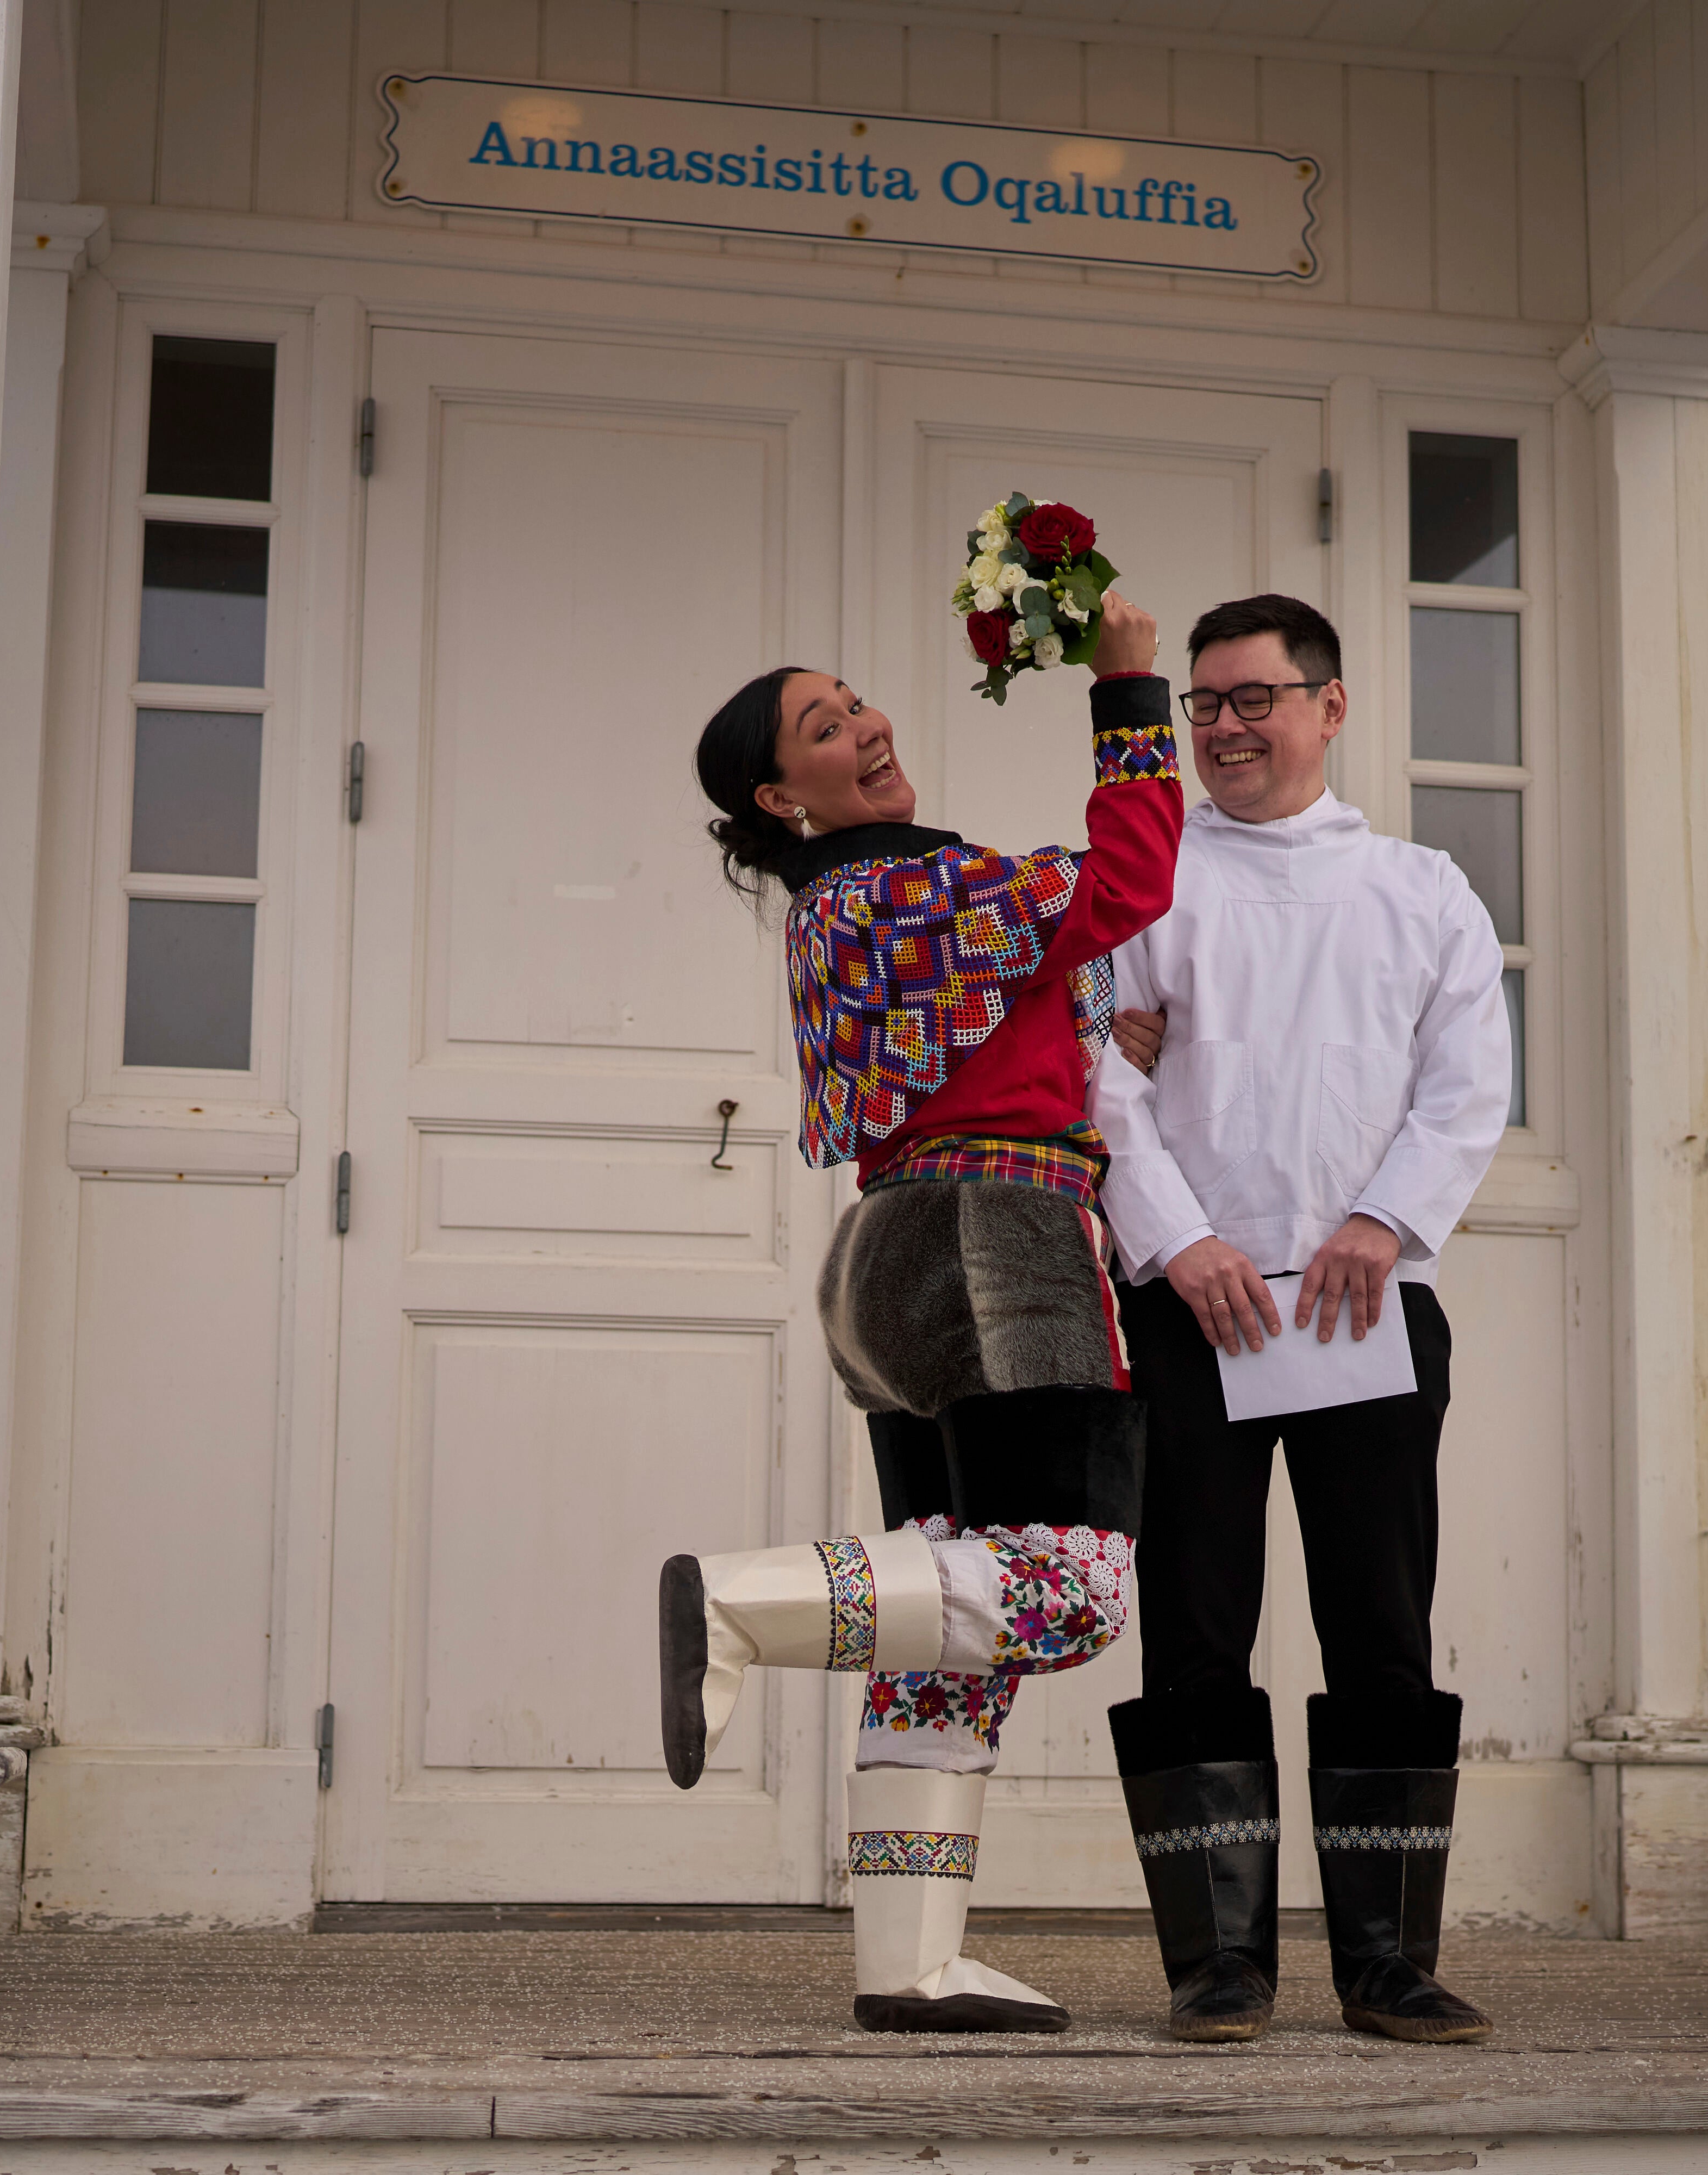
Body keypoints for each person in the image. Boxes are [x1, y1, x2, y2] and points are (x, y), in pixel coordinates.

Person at [663, 593, 1180, 2034]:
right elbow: (1129, 879)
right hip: (999, 1240)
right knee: (1066, 1589)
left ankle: (909, 1958)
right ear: (783, 795)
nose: (868, 727)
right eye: (826, 729)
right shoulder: (907, 881)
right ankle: (739, 1606)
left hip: (893, 1257)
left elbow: (1005, 1012)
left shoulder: (839, 907)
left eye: (856, 702)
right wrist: (1129, 690)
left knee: (951, 1616)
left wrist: (1091, 1031)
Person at [1092, 594, 1512, 2045]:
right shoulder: (1145, 883)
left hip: (1362, 1305)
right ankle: (1220, 1965)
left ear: (1330, 709)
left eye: (1254, 698)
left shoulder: (1421, 887)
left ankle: (1388, 1964)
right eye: (1203, 702)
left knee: (1382, 1627)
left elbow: (1466, 1086)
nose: (1222, 725)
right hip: (1194, 1310)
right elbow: (1104, 1086)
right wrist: (1179, 1238)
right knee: (1197, 1629)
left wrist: (1383, 1219)